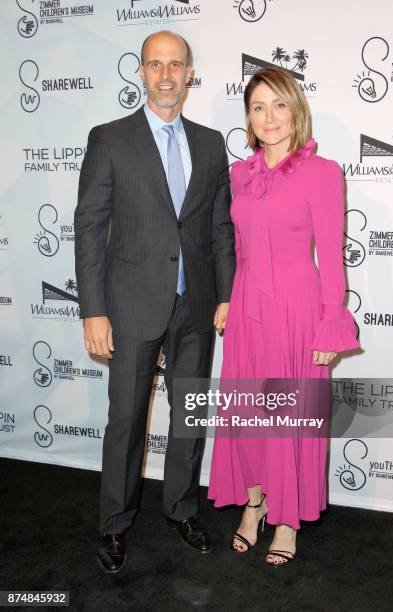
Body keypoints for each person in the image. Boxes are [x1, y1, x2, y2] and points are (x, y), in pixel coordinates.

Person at [74, 30, 235, 573]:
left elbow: (219, 228)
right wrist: (92, 309)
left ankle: (182, 509)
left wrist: (226, 294)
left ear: (190, 73)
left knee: (188, 416)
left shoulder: (212, 143)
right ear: (141, 71)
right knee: (126, 420)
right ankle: (115, 523)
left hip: (196, 306)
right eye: (155, 65)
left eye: (176, 65)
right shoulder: (110, 138)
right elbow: (91, 227)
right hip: (129, 305)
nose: (166, 75)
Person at [207, 67, 360, 567]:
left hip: (297, 306)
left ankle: (287, 519)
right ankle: (254, 506)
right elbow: (234, 244)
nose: (268, 117)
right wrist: (228, 296)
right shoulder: (238, 174)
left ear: (296, 109)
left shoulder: (323, 173)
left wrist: (329, 323)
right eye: (257, 107)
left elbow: (332, 258)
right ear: (248, 119)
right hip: (248, 304)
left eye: (278, 105)